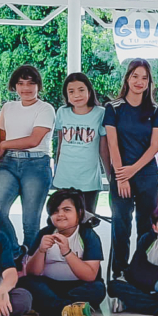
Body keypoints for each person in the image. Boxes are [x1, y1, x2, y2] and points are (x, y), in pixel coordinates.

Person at [104, 59, 158, 279]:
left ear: (149, 82)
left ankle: (142, 271)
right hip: (121, 174)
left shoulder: (155, 110)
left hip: (147, 175)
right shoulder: (113, 108)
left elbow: (154, 146)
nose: (139, 81)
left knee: (146, 225)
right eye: (135, 76)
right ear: (127, 78)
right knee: (121, 224)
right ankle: (119, 271)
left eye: (144, 78)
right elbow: (112, 144)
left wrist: (134, 170)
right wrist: (122, 176)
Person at [0, 65, 56, 257]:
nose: (25, 88)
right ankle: (16, 252)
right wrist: (0, 159)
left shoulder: (45, 108)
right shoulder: (8, 107)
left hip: (36, 164)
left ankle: (30, 262)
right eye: (20, 83)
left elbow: (34, 140)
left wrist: (5, 145)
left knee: (30, 221)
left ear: (38, 86)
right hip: (8, 164)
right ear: (14, 86)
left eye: (31, 83)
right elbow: (2, 140)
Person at [19, 188, 106, 316]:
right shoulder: (44, 233)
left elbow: (90, 276)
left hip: (77, 286)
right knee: (25, 282)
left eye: (67, 210)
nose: (60, 215)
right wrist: (41, 251)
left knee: (97, 288)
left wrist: (67, 252)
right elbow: (32, 273)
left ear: (79, 213)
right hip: (50, 286)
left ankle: (51, 307)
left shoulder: (88, 235)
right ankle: (68, 309)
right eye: (55, 211)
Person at [53, 73, 109, 214]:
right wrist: (57, 170)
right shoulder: (62, 112)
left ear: (89, 91)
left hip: (88, 180)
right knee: (64, 220)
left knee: (86, 220)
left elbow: (104, 149)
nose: (76, 95)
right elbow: (60, 144)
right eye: (71, 91)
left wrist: (110, 175)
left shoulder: (101, 113)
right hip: (64, 178)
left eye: (81, 90)